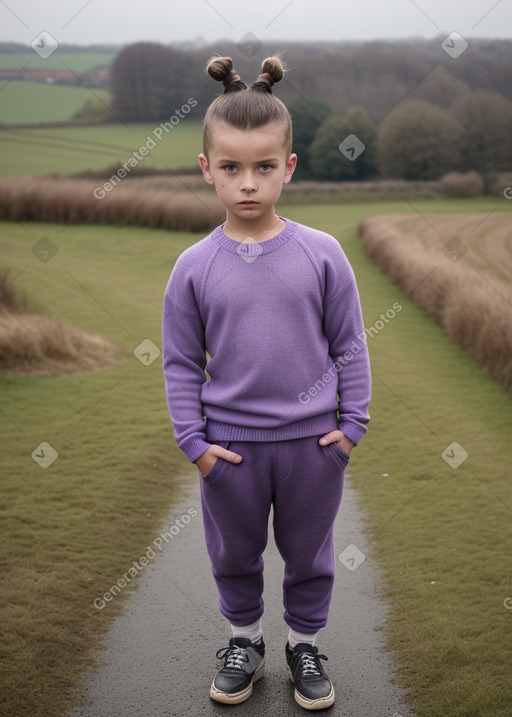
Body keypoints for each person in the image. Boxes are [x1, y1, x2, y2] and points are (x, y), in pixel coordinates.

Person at [162, 55, 371, 711]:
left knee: (309, 557)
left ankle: (303, 644)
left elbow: (349, 345)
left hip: (315, 445)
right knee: (235, 555)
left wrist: (351, 427)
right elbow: (178, 362)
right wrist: (194, 444)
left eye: (263, 167)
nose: (247, 183)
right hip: (232, 450)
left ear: (289, 166)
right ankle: (244, 640)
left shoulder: (323, 254)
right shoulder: (193, 267)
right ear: (207, 169)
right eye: (231, 168)